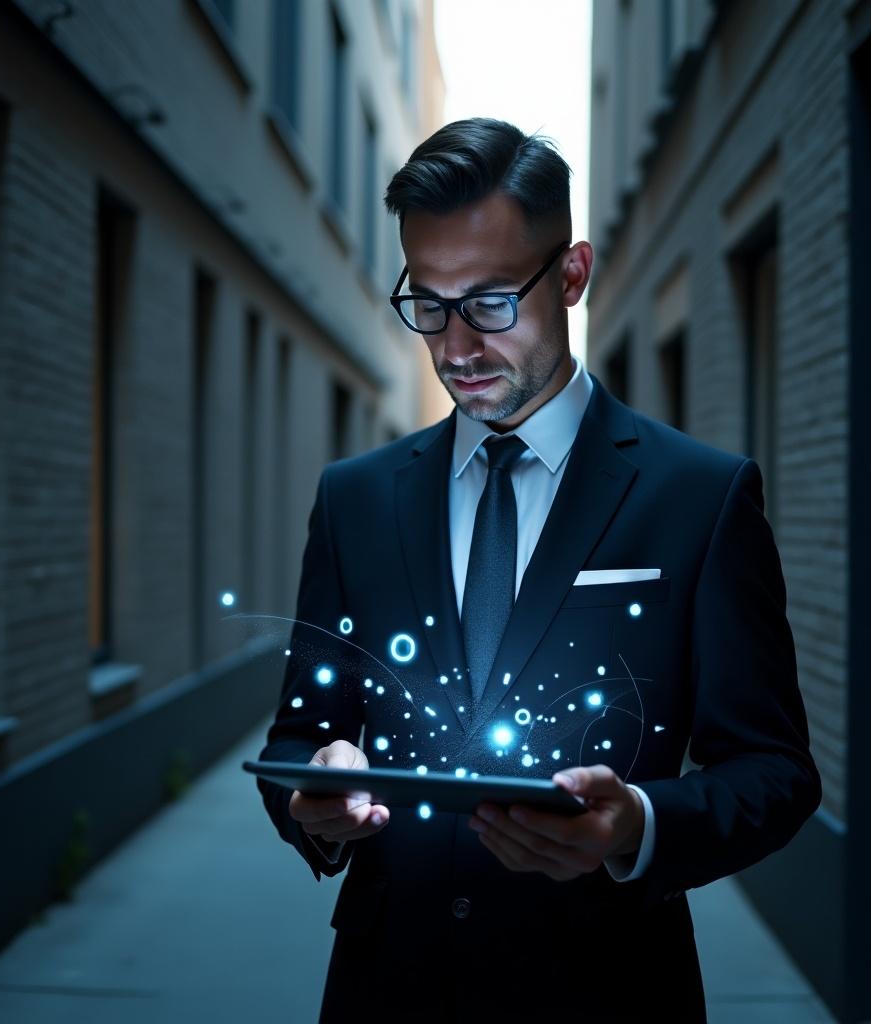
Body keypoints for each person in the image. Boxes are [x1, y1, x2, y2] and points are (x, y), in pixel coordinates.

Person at [256, 117, 821, 1024]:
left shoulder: (699, 497)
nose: (455, 348)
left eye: (488, 303)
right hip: (385, 991)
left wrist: (637, 824)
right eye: (428, 305)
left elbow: (775, 770)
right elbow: (298, 735)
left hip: (604, 988)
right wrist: (312, 797)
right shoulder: (355, 499)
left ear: (571, 275)